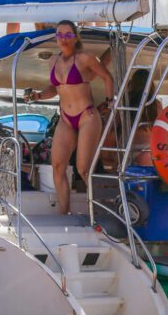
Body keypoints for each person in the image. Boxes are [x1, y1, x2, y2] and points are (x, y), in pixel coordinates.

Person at [26, 20, 114, 213]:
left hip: (87, 116)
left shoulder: (85, 58)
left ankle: (105, 209)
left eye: (68, 35)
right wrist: (38, 96)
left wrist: (109, 102)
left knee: (83, 169)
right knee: (57, 167)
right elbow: (55, 89)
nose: (63, 39)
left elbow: (107, 77)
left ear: (75, 37)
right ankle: (64, 213)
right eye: (60, 35)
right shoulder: (53, 61)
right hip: (65, 118)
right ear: (56, 37)